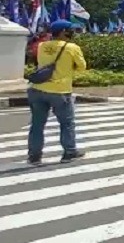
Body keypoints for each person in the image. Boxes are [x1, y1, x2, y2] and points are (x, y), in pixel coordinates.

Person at [27, 20, 87, 165]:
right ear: (62, 32)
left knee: (37, 124)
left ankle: (34, 156)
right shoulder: (72, 47)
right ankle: (69, 152)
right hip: (60, 91)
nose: (72, 33)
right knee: (66, 123)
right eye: (69, 30)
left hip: (37, 89)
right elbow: (82, 67)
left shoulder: (42, 46)